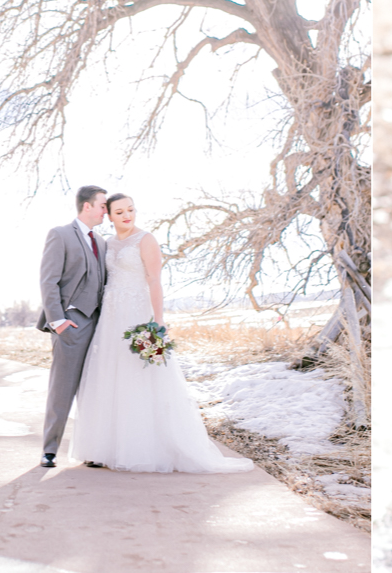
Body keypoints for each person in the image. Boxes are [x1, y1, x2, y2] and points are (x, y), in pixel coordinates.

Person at [69, 193, 252, 474]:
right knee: (108, 375)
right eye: (120, 212)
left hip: (137, 314)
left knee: (140, 375)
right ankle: (103, 449)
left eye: (131, 209)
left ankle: (142, 447)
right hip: (111, 316)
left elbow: (154, 280)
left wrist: (158, 320)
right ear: (109, 216)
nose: (127, 216)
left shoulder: (146, 240)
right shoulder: (107, 243)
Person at [37, 184, 109, 469]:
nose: (105, 211)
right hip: (71, 323)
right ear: (87, 206)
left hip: (99, 325)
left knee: (93, 390)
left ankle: (91, 449)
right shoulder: (60, 234)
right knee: (62, 388)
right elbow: (48, 280)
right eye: (102, 205)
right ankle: (49, 450)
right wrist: (58, 322)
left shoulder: (102, 242)